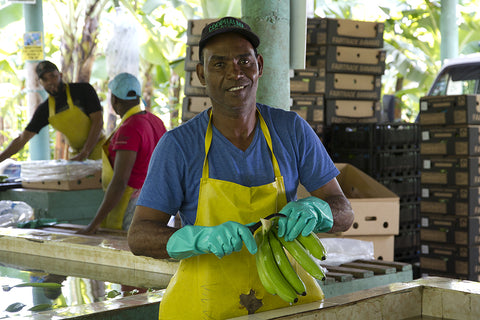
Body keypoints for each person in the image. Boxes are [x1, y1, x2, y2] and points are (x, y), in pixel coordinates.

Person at [127, 17, 354, 319]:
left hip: (286, 302)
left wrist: (318, 211)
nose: (235, 71)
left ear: (259, 65)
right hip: (207, 307)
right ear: (201, 74)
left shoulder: (291, 130)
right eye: (219, 64)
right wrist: (197, 238)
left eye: (244, 60)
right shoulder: (178, 146)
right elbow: (139, 236)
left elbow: (343, 212)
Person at [77, 73, 167, 234]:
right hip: (154, 200)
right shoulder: (155, 121)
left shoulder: (129, 128)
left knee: (125, 248)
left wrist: (93, 225)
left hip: (130, 204)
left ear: (115, 100)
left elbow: (120, 181)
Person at [0, 60, 105, 162]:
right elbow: (22, 139)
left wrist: (85, 152)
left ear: (60, 75)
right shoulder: (45, 110)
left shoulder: (83, 90)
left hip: (99, 150)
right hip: (77, 156)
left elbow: (98, 121)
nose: (50, 82)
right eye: (45, 79)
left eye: (53, 76)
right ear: (40, 82)